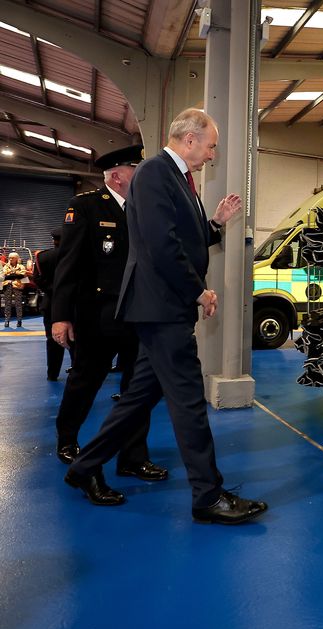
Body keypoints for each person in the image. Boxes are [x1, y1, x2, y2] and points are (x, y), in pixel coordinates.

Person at [65, 109, 267, 525]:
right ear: (189, 139)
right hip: (161, 308)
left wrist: (215, 223)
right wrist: (199, 290)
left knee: (140, 397)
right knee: (189, 402)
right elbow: (162, 246)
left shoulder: (177, 179)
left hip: (162, 305)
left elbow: (185, 238)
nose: (212, 154)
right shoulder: (157, 172)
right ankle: (207, 496)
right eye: (211, 145)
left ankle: (83, 468)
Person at [51, 144, 167, 483]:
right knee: (84, 383)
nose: (140, 173)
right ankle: (68, 440)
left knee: (137, 390)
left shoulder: (144, 210)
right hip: (96, 317)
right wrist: (61, 316)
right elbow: (67, 265)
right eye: (135, 168)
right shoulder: (86, 206)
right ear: (117, 175)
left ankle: (133, 457)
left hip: (138, 316)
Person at [33, 229, 71, 380]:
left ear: (53, 240)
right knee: (75, 341)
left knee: (52, 340)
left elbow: (37, 279)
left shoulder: (43, 257)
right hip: (72, 303)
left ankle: (53, 374)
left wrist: (52, 289)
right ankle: (78, 372)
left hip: (51, 304)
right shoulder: (76, 255)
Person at [2, 251, 27, 328]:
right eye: (9, 258)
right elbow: (4, 275)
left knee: (18, 304)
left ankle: (19, 320)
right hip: (7, 285)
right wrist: (15, 274)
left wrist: (12, 275)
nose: (10, 259)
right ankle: (7, 320)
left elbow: (23, 276)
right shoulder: (6, 266)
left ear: (16, 258)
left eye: (12, 258)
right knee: (7, 303)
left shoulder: (21, 266)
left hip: (17, 286)